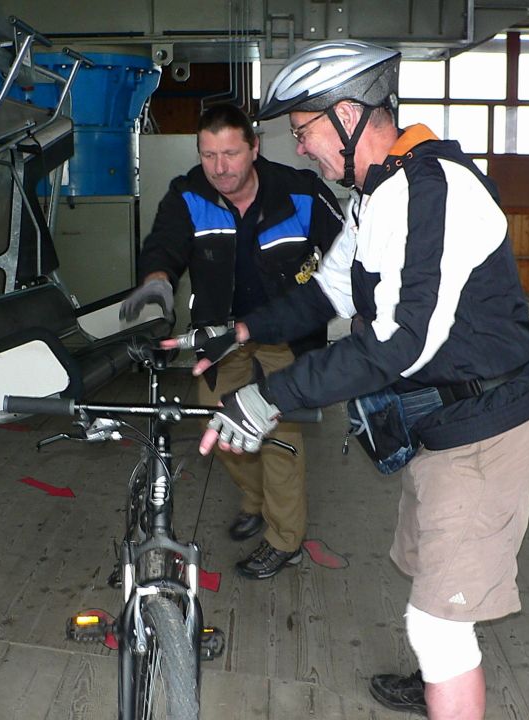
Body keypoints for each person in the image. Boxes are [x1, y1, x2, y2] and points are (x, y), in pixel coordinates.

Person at [192, 42, 529, 719]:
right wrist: (239, 331)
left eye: (304, 131)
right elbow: (327, 293)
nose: (301, 149)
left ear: (348, 115)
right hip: (436, 426)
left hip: (483, 433)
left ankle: (446, 676)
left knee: (438, 623)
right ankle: (439, 678)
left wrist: (269, 395)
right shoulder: (376, 194)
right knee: (427, 578)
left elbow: (396, 345)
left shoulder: (433, 191)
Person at [120, 103, 343, 580]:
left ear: (254, 148)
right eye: (208, 155)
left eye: (230, 154)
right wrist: (157, 280)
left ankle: (285, 540)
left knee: (279, 434)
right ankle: (256, 499)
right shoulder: (188, 195)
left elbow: (350, 251)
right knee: (218, 424)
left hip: (288, 332)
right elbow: (164, 244)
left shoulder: (301, 193)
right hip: (221, 335)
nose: (220, 168)